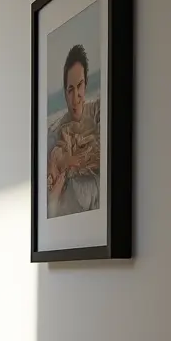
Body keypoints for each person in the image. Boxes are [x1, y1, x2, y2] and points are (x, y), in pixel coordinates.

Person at [46, 44, 101, 217]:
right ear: (65, 93)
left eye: (80, 86)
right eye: (70, 89)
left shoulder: (100, 111)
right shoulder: (55, 133)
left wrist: (68, 161)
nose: (76, 96)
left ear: (86, 85)